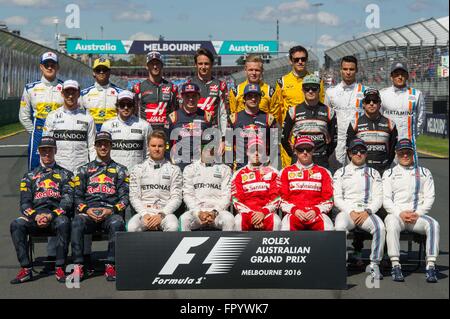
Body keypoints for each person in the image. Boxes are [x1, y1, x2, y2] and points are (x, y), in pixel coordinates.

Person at [10, 137, 72, 284]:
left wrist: (50, 216)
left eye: (50, 149)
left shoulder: (66, 175)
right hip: (35, 218)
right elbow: (24, 203)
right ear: (38, 152)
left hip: (56, 217)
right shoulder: (29, 176)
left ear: (55, 151)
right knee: (16, 224)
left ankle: (60, 267)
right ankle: (26, 269)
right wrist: (36, 216)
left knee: (64, 221)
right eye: (43, 150)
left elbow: (67, 202)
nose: (47, 153)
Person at [70, 131, 128, 282]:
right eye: (100, 144)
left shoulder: (121, 170)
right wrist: (86, 210)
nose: (103, 147)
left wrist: (111, 210)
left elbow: (124, 198)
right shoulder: (83, 170)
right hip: (89, 212)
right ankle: (78, 265)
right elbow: (77, 197)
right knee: (76, 222)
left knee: (117, 222)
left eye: (106, 144)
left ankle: (110, 264)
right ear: (95, 146)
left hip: (110, 212)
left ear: (111, 146)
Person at [383, 139, 440, 283]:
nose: (405, 155)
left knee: (434, 225)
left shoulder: (425, 172)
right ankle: (395, 265)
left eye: (408, 152)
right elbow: (386, 199)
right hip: (397, 216)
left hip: (417, 216)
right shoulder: (389, 173)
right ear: (396, 154)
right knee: (391, 223)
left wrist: (418, 213)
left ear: (413, 153)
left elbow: (429, 197)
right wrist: (399, 213)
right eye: (402, 152)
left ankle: (431, 266)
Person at [333, 138, 385, 280]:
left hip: (366, 212)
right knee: (339, 226)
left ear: (366, 154)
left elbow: (378, 198)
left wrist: (367, 212)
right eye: (355, 151)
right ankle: (340, 265)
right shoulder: (340, 172)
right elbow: (337, 198)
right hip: (347, 212)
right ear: (349, 153)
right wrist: (350, 211)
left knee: (380, 227)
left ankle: (374, 264)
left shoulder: (374, 173)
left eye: (362, 151)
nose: (358, 154)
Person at [272, 45, 325, 168]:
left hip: (312, 134)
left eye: (303, 59)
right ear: (291, 61)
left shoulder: (317, 80)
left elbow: (322, 106)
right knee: (290, 171)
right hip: (292, 137)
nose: (300, 62)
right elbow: (277, 110)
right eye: (296, 59)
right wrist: (287, 126)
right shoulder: (282, 82)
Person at [128, 130, 181, 232]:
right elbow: (134, 197)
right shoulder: (137, 169)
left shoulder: (174, 169)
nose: (156, 149)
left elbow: (177, 198)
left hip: (165, 213)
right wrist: (144, 214)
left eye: (160, 146)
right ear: (148, 147)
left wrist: (161, 214)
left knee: (173, 226)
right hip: (144, 212)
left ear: (165, 147)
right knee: (132, 227)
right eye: (153, 146)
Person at [19, 52, 64, 171]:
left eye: (53, 65)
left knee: (60, 167)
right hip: (38, 132)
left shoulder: (66, 88)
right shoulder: (30, 88)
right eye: (46, 64)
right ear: (41, 67)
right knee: (35, 169)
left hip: (59, 132)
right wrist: (34, 131)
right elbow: (23, 116)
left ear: (57, 67)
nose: (49, 67)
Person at [281, 75, 337, 169]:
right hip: (299, 161)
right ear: (302, 90)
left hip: (320, 160)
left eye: (314, 88)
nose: (310, 91)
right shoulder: (293, 111)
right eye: (307, 88)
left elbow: (333, 140)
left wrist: (323, 155)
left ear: (319, 90)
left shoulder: (329, 111)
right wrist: (294, 154)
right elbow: (284, 139)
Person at [279, 136, 334, 231]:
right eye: (300, 149)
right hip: (293, 214)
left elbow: (329, 198)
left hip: (317, 213)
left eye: (308, 149)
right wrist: (294, 210)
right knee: (285, 228)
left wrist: (316, 210)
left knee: (329, 228)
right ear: (295, 151)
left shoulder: (324, 172)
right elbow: (280, 198)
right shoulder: (285, 172)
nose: (305, 152)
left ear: (313, 151)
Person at [43, 80, 96, 173]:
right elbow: (45, 146)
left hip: (81, 169)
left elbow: (92, 147)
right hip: (58, 169)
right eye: (67, 92)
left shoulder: (88, 118)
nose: (70, 96)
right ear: (62, 94)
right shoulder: (52, 116)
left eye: (73, 92)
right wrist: (45, 168)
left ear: (79, 94)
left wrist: (93, 169)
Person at [325, 56, 367, 169]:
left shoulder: (365, 92)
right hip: (337, 141)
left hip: (358, 140)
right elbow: (326, 118)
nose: (348, 72)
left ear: (357, 70)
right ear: (340, 70)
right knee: (336, 174)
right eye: (345, 69)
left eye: (351, 69)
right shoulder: (331, 92)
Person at [179, 146, 234, 231]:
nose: (209, 150)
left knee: (229, 219)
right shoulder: (190, 169)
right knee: (183, 219)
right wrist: (198, 213)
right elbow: (187, 195)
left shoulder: (225, 169)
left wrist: (214, 212)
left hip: (218, 212)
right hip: (197, 211)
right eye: (206, 146)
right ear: (200, 148)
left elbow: (227, 195)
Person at [232, 138, 281, 231]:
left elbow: (277, 197)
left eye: (260, 150)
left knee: (277, 221)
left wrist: (263, 212)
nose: (257, 153)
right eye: (253, 150)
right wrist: (253, 215)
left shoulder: (274, 172)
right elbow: (236, 199)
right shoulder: (238, 174)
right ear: (247, 152)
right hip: (247, 213)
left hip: (266, 213)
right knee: (238, 221)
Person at [380, 62, 425, 162]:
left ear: (407, 76)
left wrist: (413, 136)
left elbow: (421, 120)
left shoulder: (417, 94)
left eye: (402, 74)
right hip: (388, 143)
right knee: (387, 174)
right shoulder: (383, 94)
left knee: (410, 175)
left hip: (409, 144)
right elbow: (379, 117)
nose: (399, 77)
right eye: (396, 74)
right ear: (391, 77)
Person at [346, 88, 398, 175]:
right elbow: (349, 149)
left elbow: (393, 150)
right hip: (362, 170)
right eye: (368, 101)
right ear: (363, 104)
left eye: (375, 100)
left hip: (383, 170)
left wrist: (386, 165)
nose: (371, 103)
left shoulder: (390, 124)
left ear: (380, 104)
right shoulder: (354, 123)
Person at [227, 83, 277, 170]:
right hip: (240, 167)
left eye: (256, 96)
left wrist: (271, 165)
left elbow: (274, 145)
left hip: (262, 167)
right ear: (244, 98)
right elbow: (228, 144)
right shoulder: (233, 118)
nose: (253, 99)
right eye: (250, 96)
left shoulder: (270, 119)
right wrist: (229, 165)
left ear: (260, 98)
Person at [165, 82, 214, 171]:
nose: (191, 99)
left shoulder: (207, 116)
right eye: (187, 96)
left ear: (199, 97)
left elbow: (212, 143)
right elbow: (167, 143)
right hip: (179, 162)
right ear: (182, 97)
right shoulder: (173, 117)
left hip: (200, 163)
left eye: (194, 96)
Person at [101, 90, 152, 171]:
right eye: (122, 105)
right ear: (117, 106)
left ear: (134, 106)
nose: (126, 107)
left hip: (137, 173)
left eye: (129, 104)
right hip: (114, 174)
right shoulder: (107, 125)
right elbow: (103, 152)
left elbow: (149, 153)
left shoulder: (145, 125)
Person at [187, 48, 228, 146]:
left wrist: (224, 138)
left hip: (213, 135)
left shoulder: (220, 85)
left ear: (212, 64)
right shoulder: (189, 84)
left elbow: (223, 114)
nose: (203, 67)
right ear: (195, 65)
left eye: (206, 63)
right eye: (200, 64)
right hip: (193, 134)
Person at [133, 51, 179, 130]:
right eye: (152, 64)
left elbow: (176, 111)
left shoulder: (172, 88)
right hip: (145, 132)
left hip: (166, 132)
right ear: (147, 66)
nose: (155, 66)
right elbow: (134, 113)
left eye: (157, 63)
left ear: (162, 66)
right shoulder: (138, 88)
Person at [80, 58, 123, 131]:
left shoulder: (120, 93)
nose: (101, 72)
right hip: (92, 133)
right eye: (98, 70)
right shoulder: (83, 93)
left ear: (109, 72)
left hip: (114, 132)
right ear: (93, 72)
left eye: (104, 69)